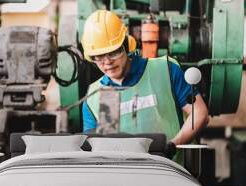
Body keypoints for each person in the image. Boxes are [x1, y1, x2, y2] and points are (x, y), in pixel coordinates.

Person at [81, 10, 209, 162]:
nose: (107, 62)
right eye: (99, 57)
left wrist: (173, 145)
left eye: (114, 52)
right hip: (125, 179)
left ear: (127, 46)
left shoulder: (165, 70)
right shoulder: (96, 96)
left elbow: (200, 114)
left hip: (173, 173)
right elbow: (97, 148)